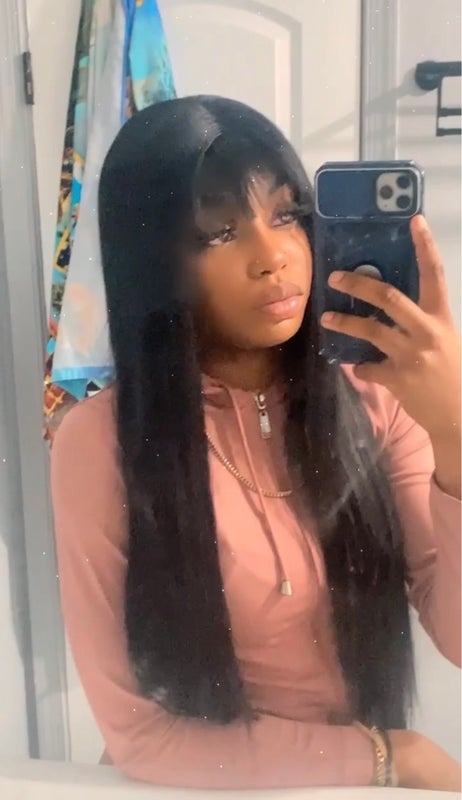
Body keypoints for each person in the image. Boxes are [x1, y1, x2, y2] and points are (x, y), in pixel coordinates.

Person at [50, 95, 461, 791]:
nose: (273, 258)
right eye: (218, 234)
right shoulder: (100, 444)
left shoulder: (375, 397)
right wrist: (390, 756)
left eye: (287, 215)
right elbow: (142, 735)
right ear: (154, 262)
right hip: (196, 786)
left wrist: (454, 431)